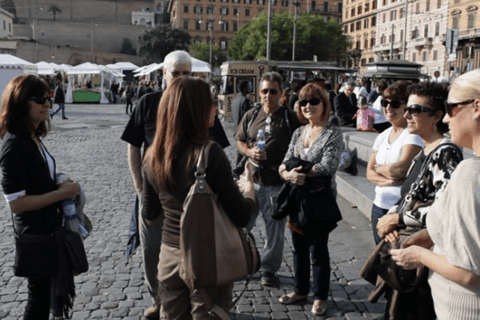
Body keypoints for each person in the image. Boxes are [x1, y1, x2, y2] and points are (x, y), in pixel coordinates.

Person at [142, 76, 257, 319]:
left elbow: (150, 215)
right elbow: (241, 215)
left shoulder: (152, 157)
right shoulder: (209, 153)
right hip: (207, 257)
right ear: (196, 110)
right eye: (211, 103)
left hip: (169, 257)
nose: (215, 109)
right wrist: (248, 187)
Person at [364, 82, 463, 320]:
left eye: (415, 109)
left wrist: (397, 218)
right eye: (407, 108)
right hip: (405, 243)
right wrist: (392, 223)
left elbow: (445, 209)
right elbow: (407, 196)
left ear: (437, 115)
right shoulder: (425, 150)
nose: (407, 114)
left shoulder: (446, 152)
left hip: (424, 253)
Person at [390, 69, 480, 320]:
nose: (447, 120)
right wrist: (431, 235)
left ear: (477, 107)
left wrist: (420, 255)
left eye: (451, 108)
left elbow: (469, 272)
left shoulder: (470, 172)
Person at [0, 74, 79, 319]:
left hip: (47, 229)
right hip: (34, 234)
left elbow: (37, 179)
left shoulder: (33, 136)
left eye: (48, 97)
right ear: (20, 102)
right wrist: (61, 193)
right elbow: (16, 203)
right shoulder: (14, 145)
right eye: (39, 99)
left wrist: (57, 181)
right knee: (38, 301)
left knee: (45, 295)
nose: (47, 103)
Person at [121, 50, 193, 319]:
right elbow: (133, 145)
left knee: (189, 251)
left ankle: (185, 300)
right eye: (176, 73)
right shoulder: (148, 102)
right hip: (153, 196)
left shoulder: (198, 103)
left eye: (187, 73)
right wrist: (138, 186)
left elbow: (214, 147)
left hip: (189, 197)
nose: (181, 79)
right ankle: (159, 299)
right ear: (165, 74)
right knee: (152, 251)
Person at [277, 83, 343, 316]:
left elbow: (328, 166)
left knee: (317, 250)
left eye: (314, 101)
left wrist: (298, 169)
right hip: (296, 197)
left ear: (324, 105)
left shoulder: (332, 132)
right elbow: (284, 162)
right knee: (297, 248)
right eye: (303, 102)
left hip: (318, 200)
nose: (307, 106)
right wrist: (287, 173)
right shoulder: (298, 132)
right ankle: (300, 290)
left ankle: (320, 297)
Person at [235, 72, 302, 286]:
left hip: (276, 184)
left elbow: (301, 147)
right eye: (264, 91)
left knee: (275, 231)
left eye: (273, 91)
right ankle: (241, 263)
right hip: (251, 183)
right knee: (242, 226)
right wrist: (249, 152)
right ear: (259, 92)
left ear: (281, 93)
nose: (268, 95)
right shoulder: (251, 115)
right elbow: (239, 141)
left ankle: (269, 270)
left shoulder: (290, 117)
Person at [366, 81, 424, 244]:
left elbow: (401, 169)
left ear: (407, 107)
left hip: (400, 208)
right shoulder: (382, 135)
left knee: (394, 261)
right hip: (378, 206)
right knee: (379, 256)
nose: (389, 108)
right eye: (385, 103)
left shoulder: (412, 134)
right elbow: (369, 173)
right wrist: (390, 180)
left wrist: (379, 169)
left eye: (395, 103)